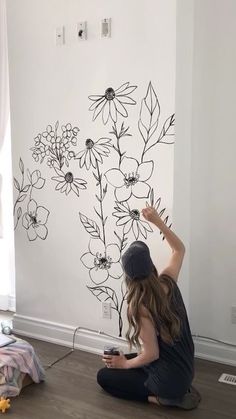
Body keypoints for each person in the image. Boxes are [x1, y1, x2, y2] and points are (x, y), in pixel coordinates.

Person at [97, 206, 201, 410]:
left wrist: (125, 365)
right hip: (185, 370)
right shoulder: (168, 281)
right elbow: (179, 249)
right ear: (151, 265)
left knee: (105, 376)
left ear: (128, 277)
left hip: (169, 381)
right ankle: (178, 390)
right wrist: (158, 222)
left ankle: (165, 399)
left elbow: (151, 354)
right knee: (117, 361)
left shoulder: (139, 307)